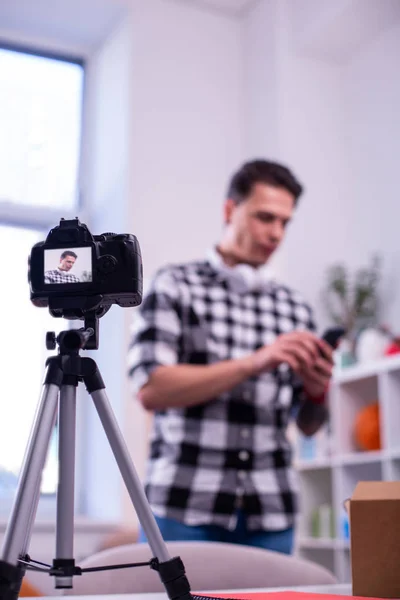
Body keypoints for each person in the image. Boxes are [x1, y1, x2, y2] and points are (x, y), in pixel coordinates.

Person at [127, 159, 334, 555]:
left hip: (270, 514)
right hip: (182, 508)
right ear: (229, 210)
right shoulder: (175, 285)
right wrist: (255, 362)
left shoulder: (295, 308)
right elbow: (152, 388)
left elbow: (308, 426)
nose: (275, 233)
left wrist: (316, 391)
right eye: (265, 217)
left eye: (284, 223)